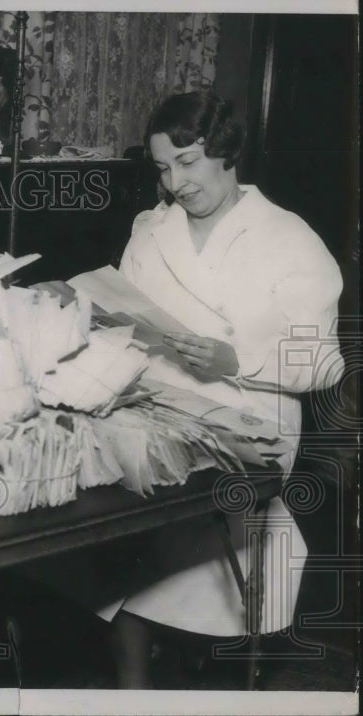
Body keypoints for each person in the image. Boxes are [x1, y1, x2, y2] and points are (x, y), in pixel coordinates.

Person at [105, 90, 344, 687]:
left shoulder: (288, 239)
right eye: (162, 168)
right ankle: (132, 695)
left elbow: (322, 363)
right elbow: (127, 327)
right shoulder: (151, 233)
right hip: (158, 408)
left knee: (182, 555)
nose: (175, 183)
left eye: (187, 162)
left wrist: (236, 360)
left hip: (250, 419)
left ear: (225, 151)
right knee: (101, 533)